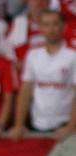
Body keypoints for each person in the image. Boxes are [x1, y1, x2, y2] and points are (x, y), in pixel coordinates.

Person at [8, 9, 76, 140]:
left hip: (64, 126)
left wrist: (71, 126)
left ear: (63, 27)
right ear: (40, 28)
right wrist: (19, 124)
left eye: (55, 24)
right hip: (37, 124)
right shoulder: (33, 55)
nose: (51, 29)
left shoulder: (72, 55)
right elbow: (25, 91)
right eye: (46, 24)